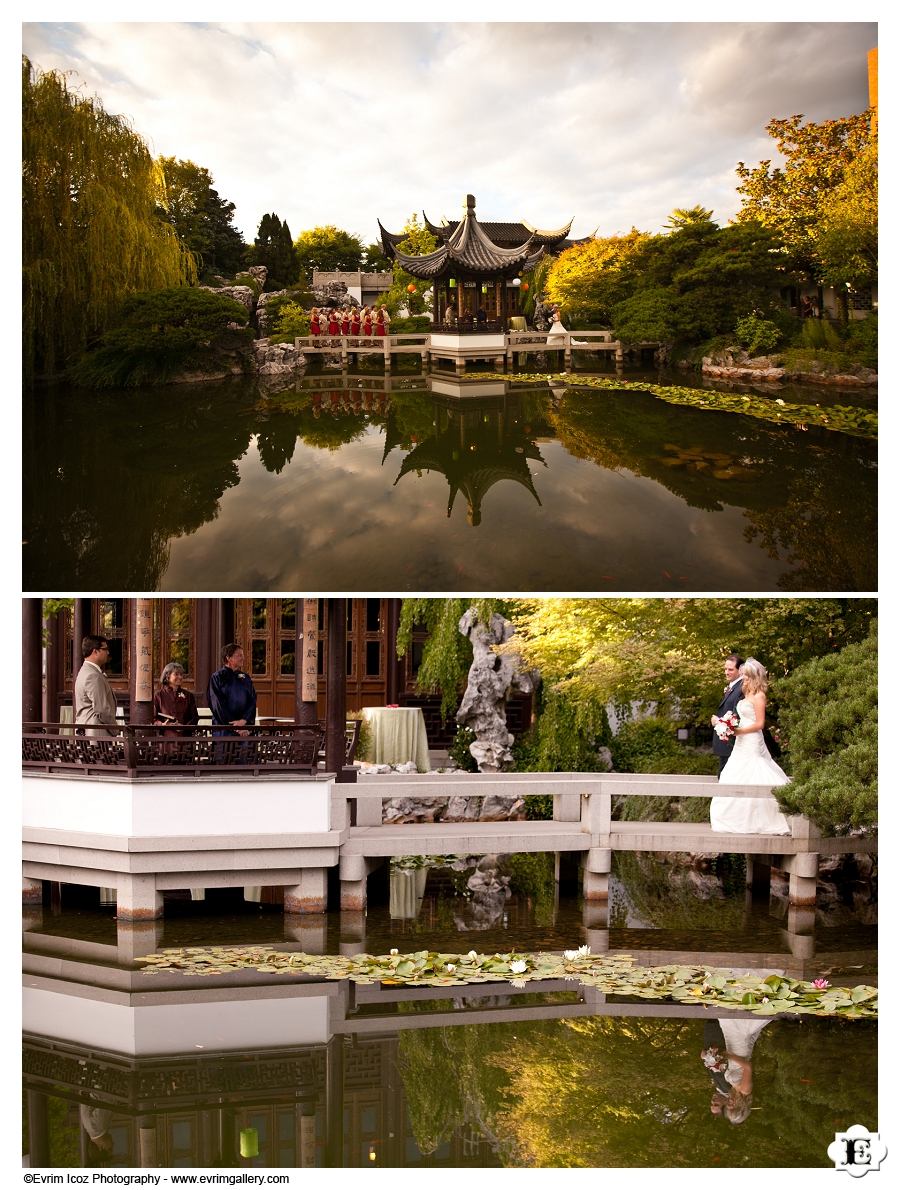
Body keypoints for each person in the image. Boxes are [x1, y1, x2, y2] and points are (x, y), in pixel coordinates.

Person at [710, 658, 791, 834]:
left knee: (756, 770)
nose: (744, 679)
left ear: (754, 677)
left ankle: (767, 816)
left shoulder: (760, 696)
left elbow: (760, 724)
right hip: (741, 740)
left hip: (752, 739)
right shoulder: (747, 694)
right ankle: (736, 818)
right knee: (734, 773)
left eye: (746, 676)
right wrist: (728, 725)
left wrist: (738, 731)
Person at [702, 1016, 772, 1125]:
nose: (729, 1105)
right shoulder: (745, 1090)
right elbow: (747, 1067)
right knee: (731, 1022)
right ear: (740, 1107)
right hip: (739, 1051)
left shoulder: (734, 1090)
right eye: (732, 1108)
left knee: (727, 1021)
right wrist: (729, 1056)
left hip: (732, 1050)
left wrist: (720, 1056)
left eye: (728, 1108)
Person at [207, 644, 257, 737]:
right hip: (224, 730)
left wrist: (244, 721)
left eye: (243, 655)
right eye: (239, 655)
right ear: (228, 658)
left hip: (245, 729)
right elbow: (217, 704)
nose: (243, 658)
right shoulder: (217, 677)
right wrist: (234, 726)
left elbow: (252, 701)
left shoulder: (245, 678)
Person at [74, 635, 118, 736]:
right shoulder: (93, 675)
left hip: (86, 730)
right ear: (95, 651)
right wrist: (115, 730)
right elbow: (102, 709)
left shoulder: (85, 670)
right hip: (95, 733)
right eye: (105, 649)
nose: (108, 652)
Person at [710, 653, 744, 776]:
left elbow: (738, 716)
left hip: (732, 744)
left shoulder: (742, 688)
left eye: (730, 669)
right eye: (725, 669)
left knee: (726, 780)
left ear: (740, 670)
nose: (726, 672)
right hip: (726, 743)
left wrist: (718, 721)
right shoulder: (732, 687)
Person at [153, 661, 200, 738]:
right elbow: (153, 718)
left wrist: (183, 727)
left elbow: (195, 717)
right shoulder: (158, 696)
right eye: (176, 674)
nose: (180, 677)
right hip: (165, 738)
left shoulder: (188, 695)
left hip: (185, 737)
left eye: (181, 675)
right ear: (167, 676)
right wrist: (163, 724)